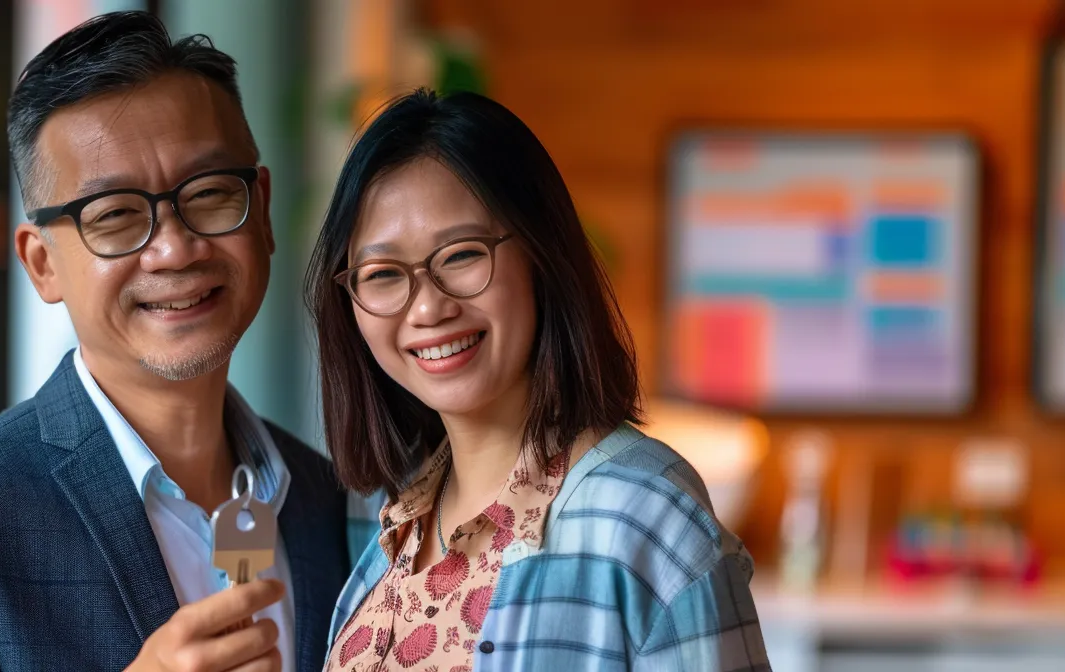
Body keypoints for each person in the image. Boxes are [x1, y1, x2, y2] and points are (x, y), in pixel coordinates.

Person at [0, 11, 354, 672]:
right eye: (114, 215)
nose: (174, 247)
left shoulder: (333, 502)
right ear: (41, 263)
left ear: (264, 210)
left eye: (211, 193)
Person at [304, 89, 770, 671]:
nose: (426, 309)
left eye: (460, 255)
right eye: (382, 273)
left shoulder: (645, 516)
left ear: (540, 255)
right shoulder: (396, 523)